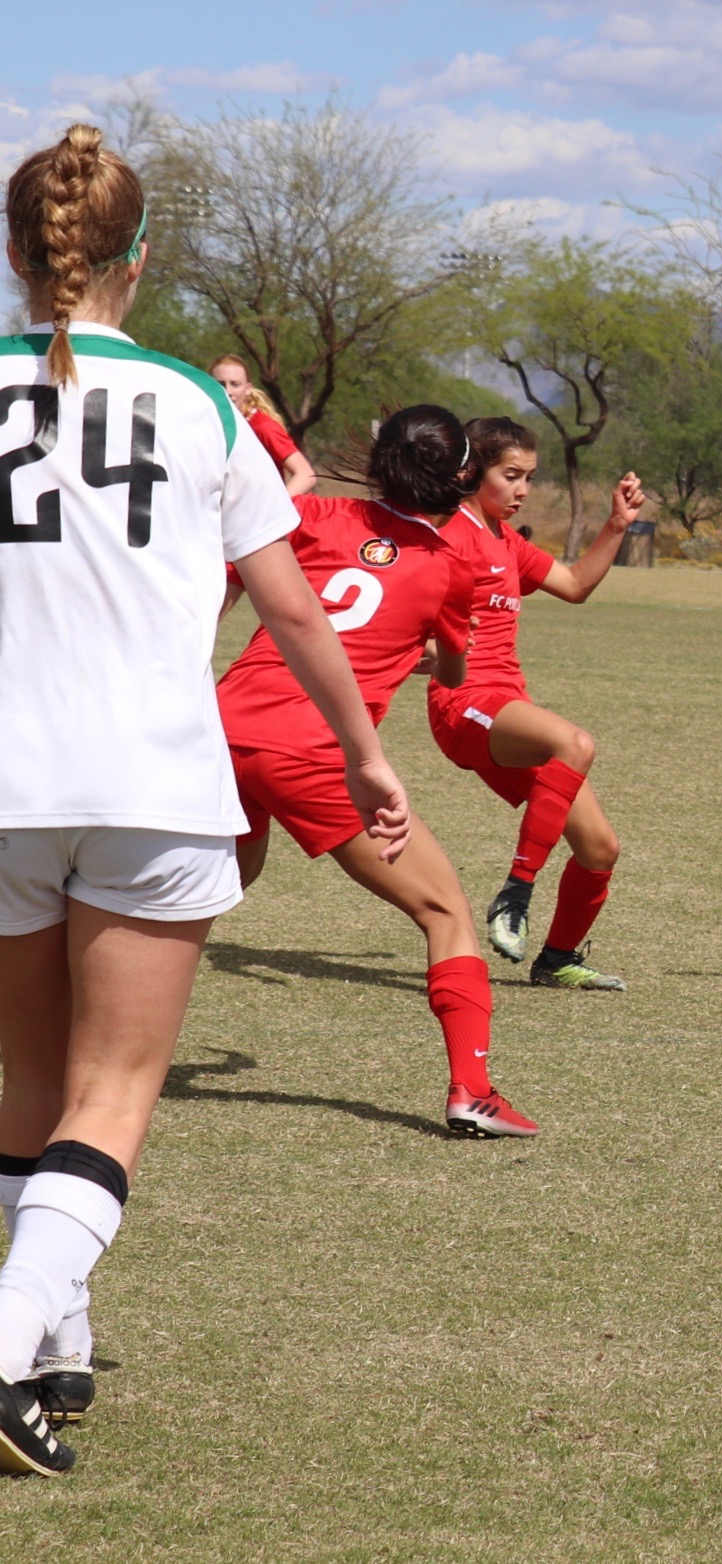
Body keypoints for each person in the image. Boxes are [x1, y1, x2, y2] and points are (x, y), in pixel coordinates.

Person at [0, 124, 408, 1476]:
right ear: (142, 260)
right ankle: (10, 1340)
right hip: (152, 783)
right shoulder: (194, 400)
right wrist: (362, 752)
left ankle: (54, 1346)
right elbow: (289, 606)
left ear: (16, 255)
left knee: (27, 1082)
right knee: (108, 1092)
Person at [219, 405, 542, 1136]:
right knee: (445, 912)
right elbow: (453, 668)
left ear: (376, 460)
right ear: (461, 475)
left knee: (200, 892)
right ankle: (473, 1091)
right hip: (314, 751)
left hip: (225, 726)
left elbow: (239, 564)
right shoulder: (450, 567)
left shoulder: (318, 515)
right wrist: (409, 647)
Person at [431, 418, 643, 990]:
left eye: (529, 476)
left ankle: (557, 960)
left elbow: (575, 584)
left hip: (508, 707)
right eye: (511, 475)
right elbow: (407, 620)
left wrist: (617, 524)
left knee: (600, 849)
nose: (523, 488)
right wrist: (432, 652)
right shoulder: (450, 534)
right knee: (573, 742)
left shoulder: (506, 540)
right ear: (473, 471)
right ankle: (515, 894)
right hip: (463, 705)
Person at [208, 355, 316, 497]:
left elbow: (306, 475)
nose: (228, 391)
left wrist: (275, 510)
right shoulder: (211, 426)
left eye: (235, 384)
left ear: (247, 389)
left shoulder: (261, 426)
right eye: (220, 384)